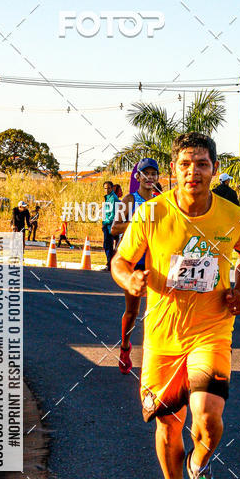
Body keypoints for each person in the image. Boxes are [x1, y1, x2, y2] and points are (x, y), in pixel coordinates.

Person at [111, 132, 240, 479]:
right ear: (173, 169)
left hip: (212, 330)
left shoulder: (235, 217)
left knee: (208, 419)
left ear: (213, 169)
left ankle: (199, 465)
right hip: (162, 336)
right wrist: (132, 278)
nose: (193, 171)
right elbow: (120, 260)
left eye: (202, 164)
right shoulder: (152, 213)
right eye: (185, 164)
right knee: (167, 426)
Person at [111, 159, 161, 374]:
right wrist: (138, 224)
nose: (150, 177)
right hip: (134, 261)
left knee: (157, 310)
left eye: (153, 174)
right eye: (145, 174)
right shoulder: (130, 200)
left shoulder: (162, 201)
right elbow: (114, 228)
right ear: (137, 177)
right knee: (132, 311)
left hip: (157, 260)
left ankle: (157, 355)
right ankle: (124, 347)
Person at [101, 180, 121, 270]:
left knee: (108, 245)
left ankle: (110, 264)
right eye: (105, 188)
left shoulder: (112, 198)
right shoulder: (108, 197)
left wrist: (104, 223)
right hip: (108, 224)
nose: (106, 190)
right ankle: (110, 263)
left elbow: (112, 214)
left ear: (112, 188)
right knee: (108, 245)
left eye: (108, 188)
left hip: (110, 225)